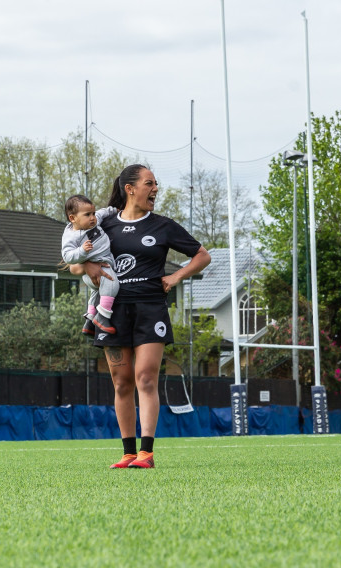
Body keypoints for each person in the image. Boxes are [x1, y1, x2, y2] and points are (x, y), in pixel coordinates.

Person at [70, 164, 211, 469]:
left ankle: (146, 453)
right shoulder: (102, 224)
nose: (156, 189)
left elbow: (202, 255)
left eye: (156, 184)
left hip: (150, 310)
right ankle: (128, 452)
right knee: (122, 383)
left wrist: (176, 278)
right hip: (113, 311)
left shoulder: (163, 226)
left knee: (145, 377)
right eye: (150, 184)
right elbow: (73, 261)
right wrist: (87, 267)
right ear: (130, 189)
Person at [61, 195, 119, 335]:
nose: (93, 217)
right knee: (113, 284)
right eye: (87, 214)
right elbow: (67, 256)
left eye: (93, 213)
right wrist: (82, 251)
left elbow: (103, 213)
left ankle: (90, 319)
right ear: (73, 218)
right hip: (98, 268)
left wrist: (115, 210)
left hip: (99, 268)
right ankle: (103, 316)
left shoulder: (93, 222)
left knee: (96, 293)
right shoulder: (71, 236)